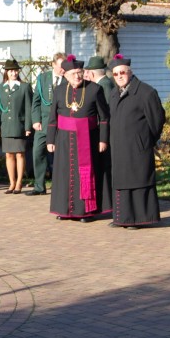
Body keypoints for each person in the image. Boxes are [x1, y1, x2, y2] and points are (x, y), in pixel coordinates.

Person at [46, 55, 112, 222]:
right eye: (73, 73)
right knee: (64, 174)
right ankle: (65, 209)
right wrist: (50, 140)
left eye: (79, 72)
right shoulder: (60, 90)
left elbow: (104, 117)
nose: (77, 76)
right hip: (63, 139)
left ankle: (85, 211)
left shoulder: (94, 89)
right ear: (65, 75)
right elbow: (52, 117)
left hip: (88, 138)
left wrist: (103, 140)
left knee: (85, 173)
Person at [108, 54, 166, 229]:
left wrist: (146, 140)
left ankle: (139, 219)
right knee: (121, 182)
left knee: (137, 181)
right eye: (116, 74)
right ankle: (122, 218)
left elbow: (157, 120)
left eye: (122, 73)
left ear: (130, 72)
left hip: (138, 148)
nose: (119, 76)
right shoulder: (113, 94)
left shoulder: (146, 93)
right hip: (119, 148)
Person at [28, 52, 65, 196]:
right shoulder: (43, 78)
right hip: (43, 123)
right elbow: (36, 100)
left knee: (59, 155)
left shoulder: (67, 79)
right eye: (60, 66)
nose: (63, 69)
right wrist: (35, 119)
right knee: (37, 152)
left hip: (60, 123)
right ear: (53, 65)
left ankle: (59, 185)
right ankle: (39, 185)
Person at [0, 58, 32, 194]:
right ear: (6, 72)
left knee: (20, 154)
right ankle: (12, 183)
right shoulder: (0, 88)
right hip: (6, 126)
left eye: (15, 71)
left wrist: (28, 127)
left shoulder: (24, 87)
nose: (13, 73)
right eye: (10, 71)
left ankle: (19, 182)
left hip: (19, 125)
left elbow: (29, 108)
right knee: (9, 155)